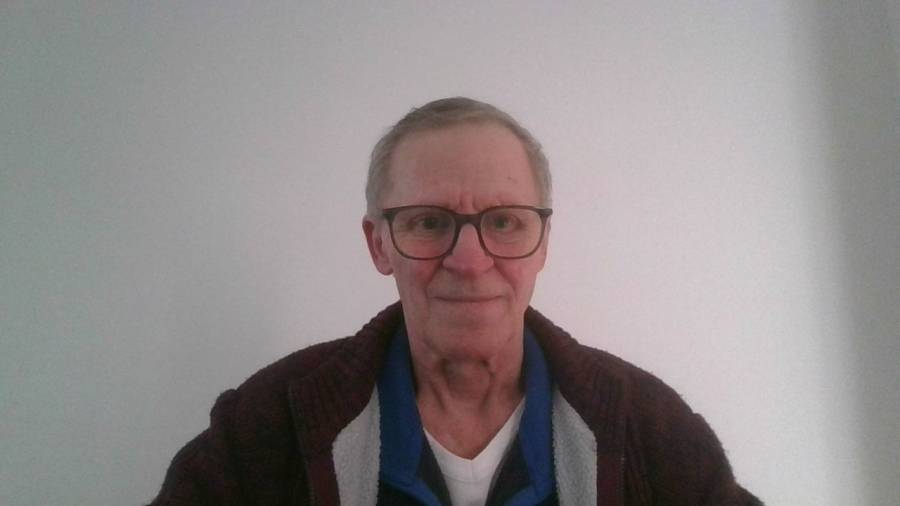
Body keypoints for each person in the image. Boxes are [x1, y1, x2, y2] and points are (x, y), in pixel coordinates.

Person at [149, 97, 761, 505]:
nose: (469, 261)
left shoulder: (652, 429)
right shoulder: (265, 425)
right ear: (379, 244)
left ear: (543, 242)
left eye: (505, 222)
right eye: (428, 222)